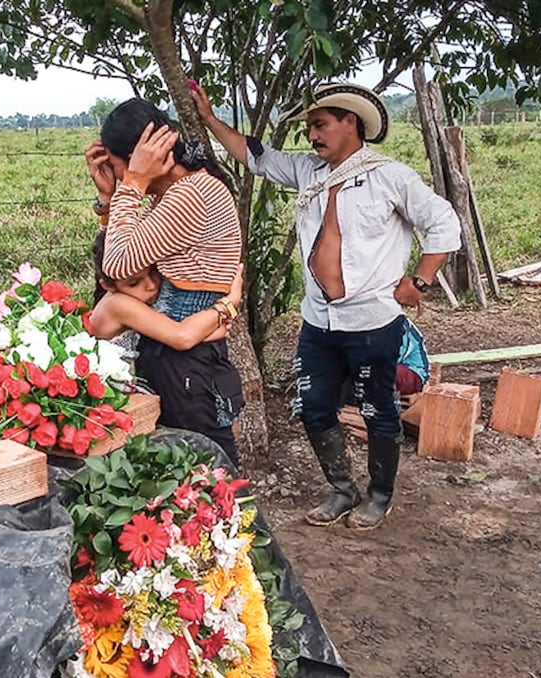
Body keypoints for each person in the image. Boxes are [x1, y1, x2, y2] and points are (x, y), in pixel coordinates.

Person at [193, 81, 461, 530]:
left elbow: (444, 221)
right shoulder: (310, 174)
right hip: (319, 320)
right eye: (310, 129)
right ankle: (341, 488)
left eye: (320, 125)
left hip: (374, 319)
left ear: (350, 123)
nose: (312, 136)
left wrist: (420, 281)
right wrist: (209, 118)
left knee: (378, 409)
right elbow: (255, 155)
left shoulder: (389, 176)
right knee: (313, 406)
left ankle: (379, 495)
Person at [85, 98, 245, 462]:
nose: (122, 176)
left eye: (120, 167)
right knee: (195, 471)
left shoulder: (190, 195)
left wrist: (133, 183)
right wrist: (110, 198)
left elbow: (119, 265)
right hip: (183, 357)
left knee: (210, 473)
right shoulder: (181, 192)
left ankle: (246, 521)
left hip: (187, 367)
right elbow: (128, 255)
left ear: (143, 157)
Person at [87, 229, 244, 353]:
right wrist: (228, 305)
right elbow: (183, 337)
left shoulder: (131, 298)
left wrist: (207, 329)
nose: (151, 285)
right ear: (109, 286)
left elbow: (184, 335)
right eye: (134, 283)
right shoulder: (117, 304)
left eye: (154, 271)